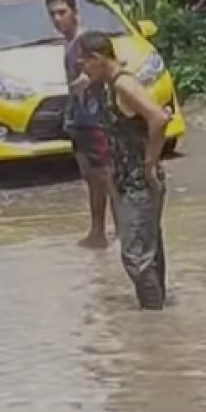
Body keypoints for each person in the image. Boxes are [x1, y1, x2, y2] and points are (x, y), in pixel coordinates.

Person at [74, 30, 172, 310]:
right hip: (126, 180)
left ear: (97, 58)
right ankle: (156, 314)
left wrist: (151, 162)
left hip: (139, 182)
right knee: (148, 252)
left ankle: (153, 325)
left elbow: (158, 118)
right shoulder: (110, 79)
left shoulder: (123, 85)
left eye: (84, 63)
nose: (82, 68)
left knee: (136, 256)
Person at [48, 0, 113, 249]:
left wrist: (81, 83)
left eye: (62, 12)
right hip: (79, 119)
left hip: (93, 118)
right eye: (52, 14)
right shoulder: (70, 42)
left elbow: (104, 68)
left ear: (75, 12)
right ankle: (100, 232)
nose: (57, 19)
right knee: (91, 178)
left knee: (103, 177)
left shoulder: (85, 42)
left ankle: (107, 232)